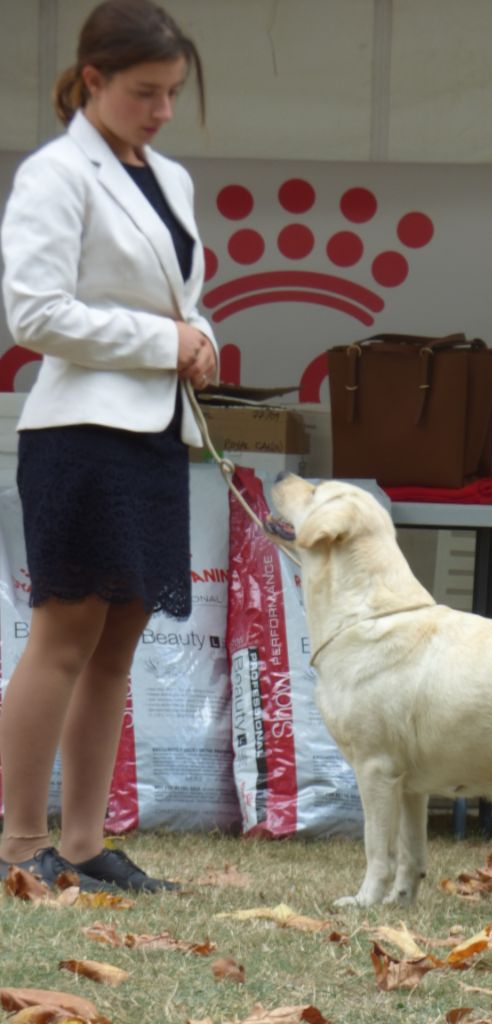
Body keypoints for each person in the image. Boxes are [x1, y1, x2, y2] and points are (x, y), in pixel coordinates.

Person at [0, 0, 218, 893]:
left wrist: (199, 338)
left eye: (173, 93)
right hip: (78, 434)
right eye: (145, 92)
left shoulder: (170, 178)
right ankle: (19, 845)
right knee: (65, 634)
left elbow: (179, 300)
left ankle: (86, 845)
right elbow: (35, 314)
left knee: (118, 643)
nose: (162, 110)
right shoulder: (55, 174)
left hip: (154, 433)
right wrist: (166, 341)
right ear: (93, 80)